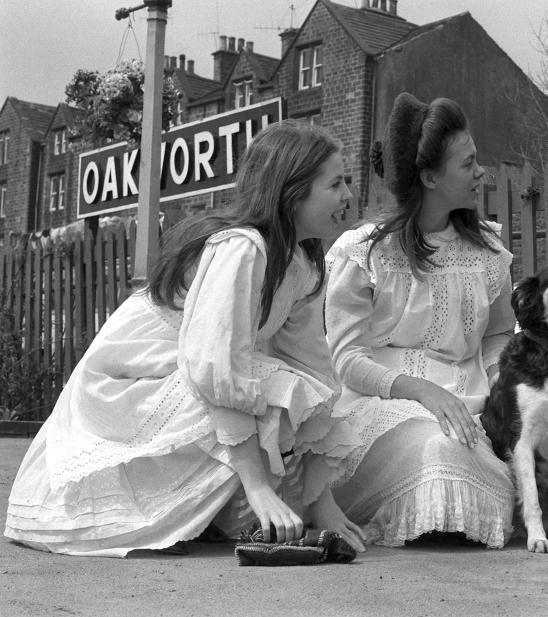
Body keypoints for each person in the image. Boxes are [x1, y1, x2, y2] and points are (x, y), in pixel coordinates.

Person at [4, 120, 367, 556]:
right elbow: (212, 368)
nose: (348, 195)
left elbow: (310, 370)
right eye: (336, 183)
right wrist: (255, 482)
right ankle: (169, 508)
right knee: (262, 394)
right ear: (291, 193)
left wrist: (318, 502)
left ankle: (218, 512)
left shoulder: (304, 263)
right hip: (135, 378)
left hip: (195, 371)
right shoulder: (242, 247)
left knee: (286, 387)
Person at [324, 92, 515, 548]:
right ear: (430, 176)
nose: (481, 171)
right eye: (468, 163)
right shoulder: (365, 252)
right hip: (381, 407)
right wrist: (424, 392)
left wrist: (504, 384)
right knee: (437, 448)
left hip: (468, 408)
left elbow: (499, 334)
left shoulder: (487, 252)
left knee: (456, 444)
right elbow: (346, 359)